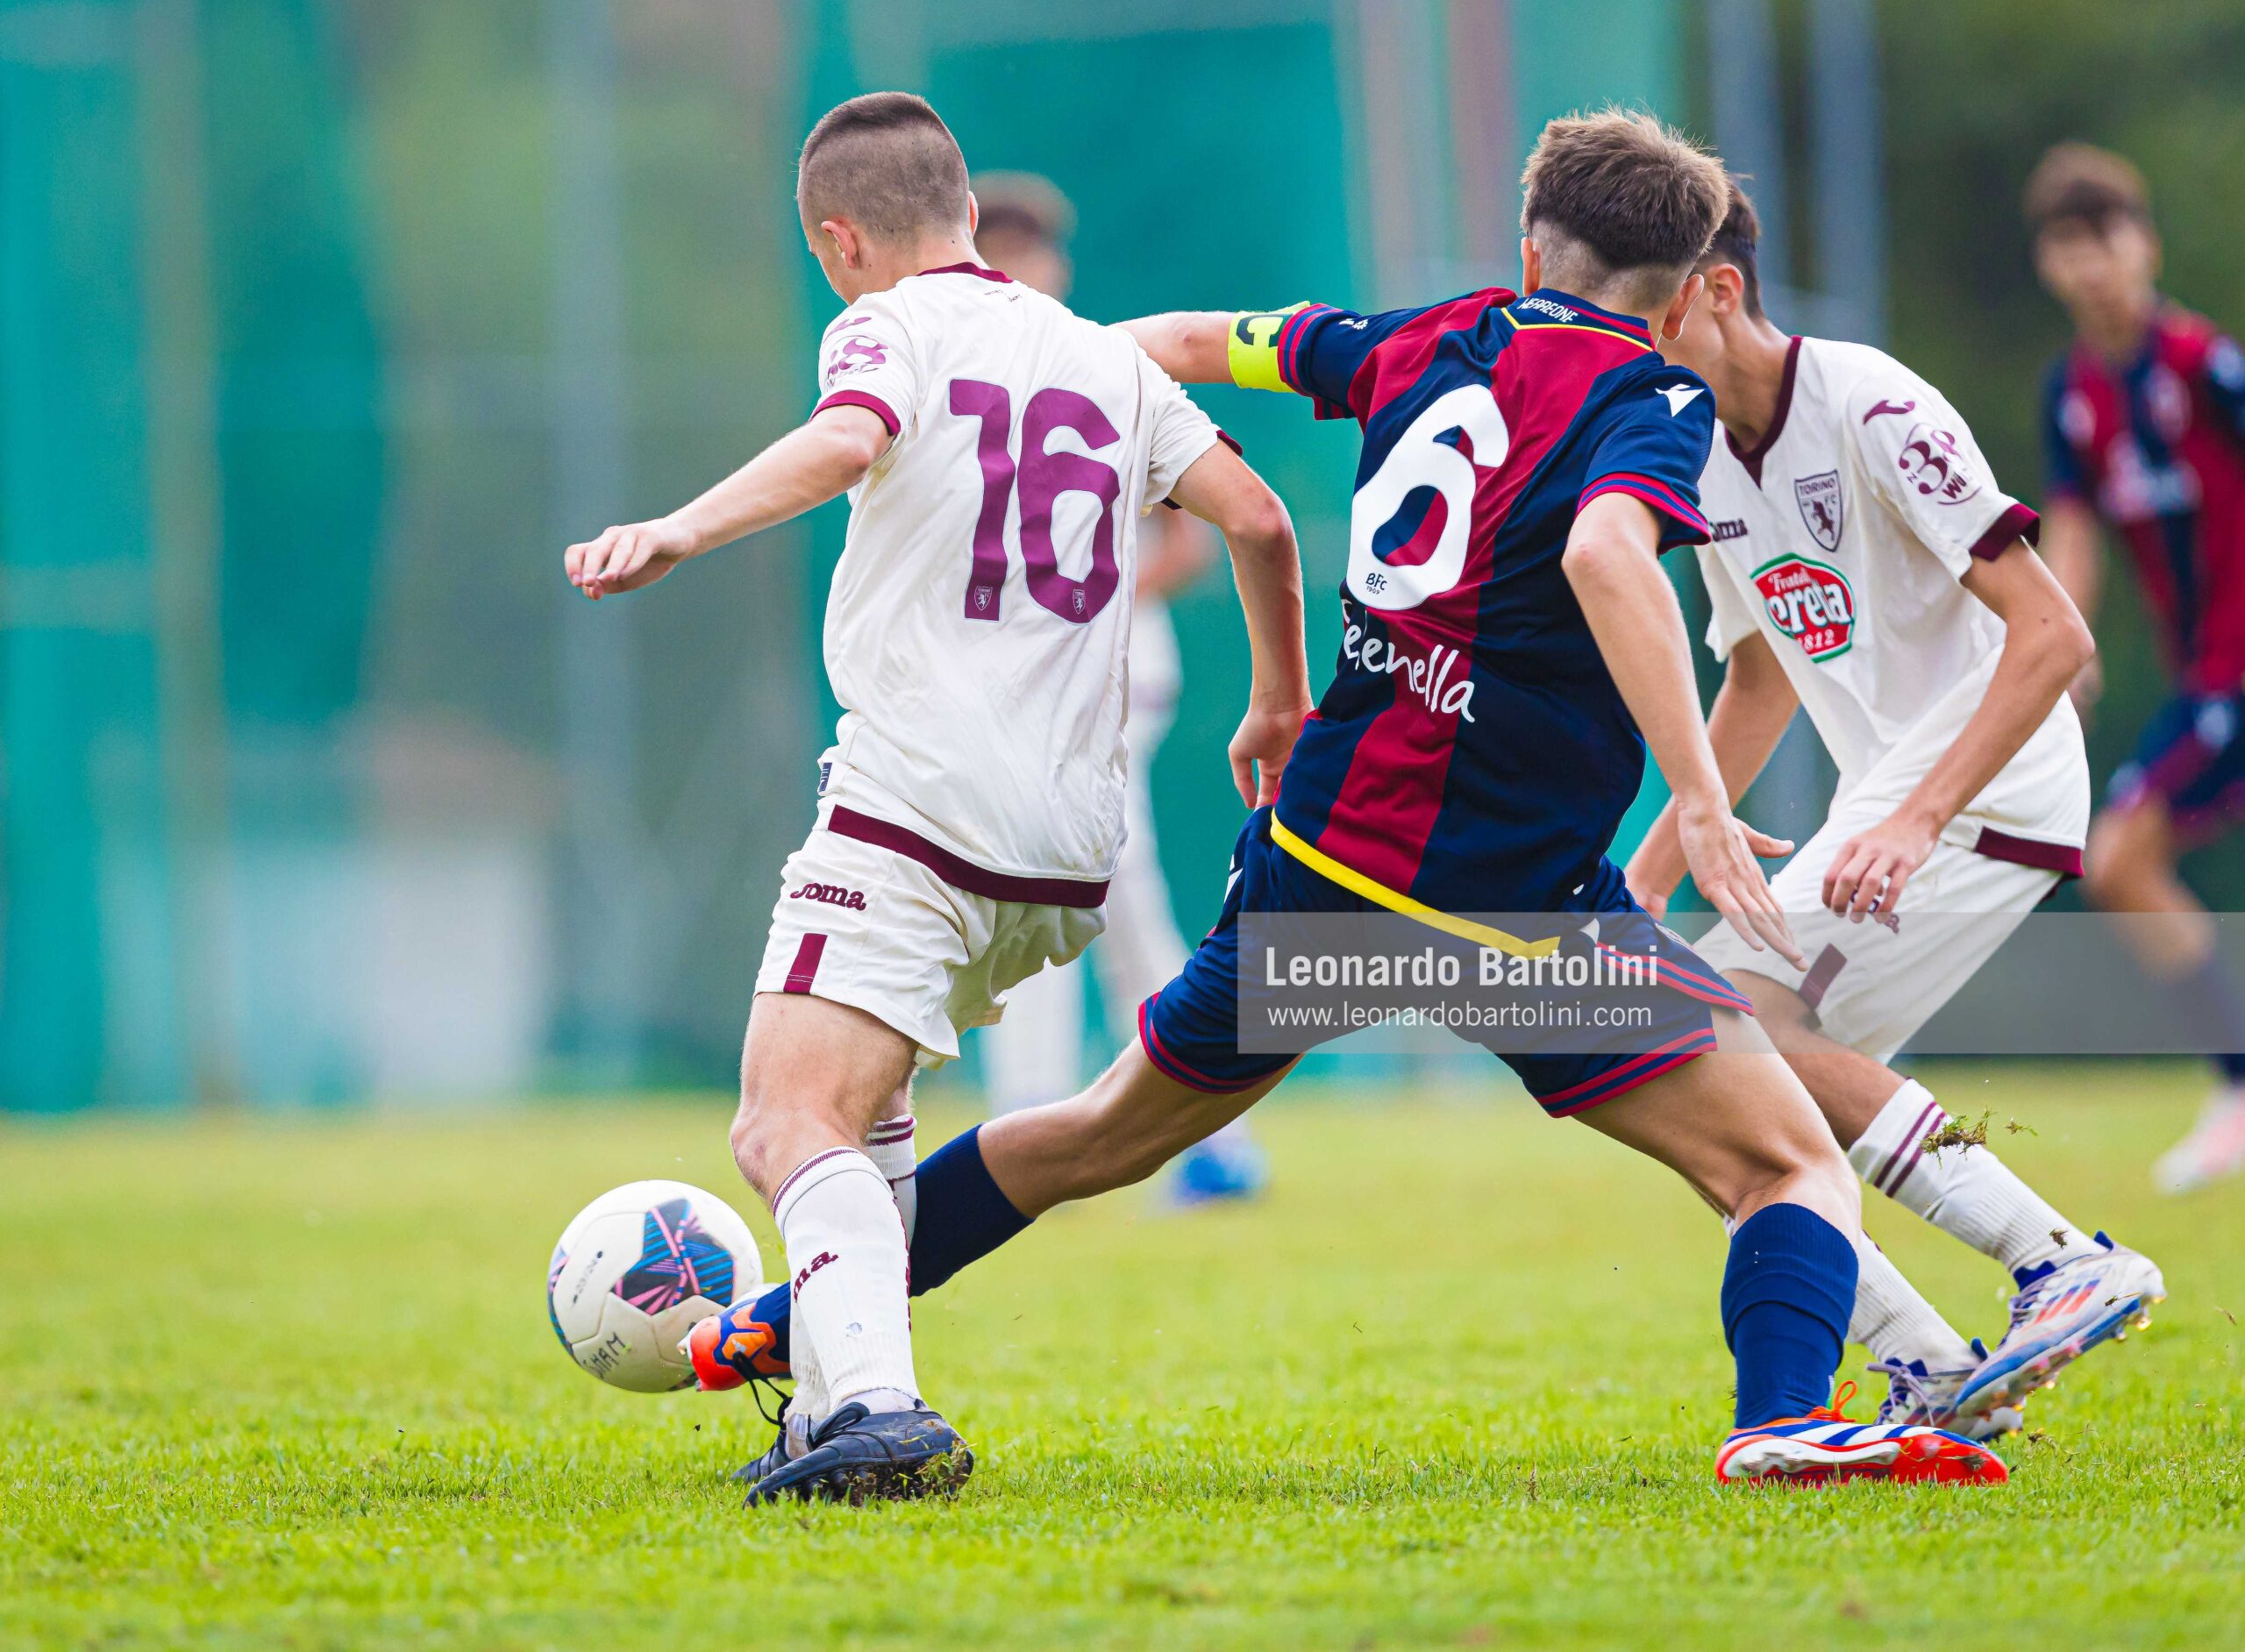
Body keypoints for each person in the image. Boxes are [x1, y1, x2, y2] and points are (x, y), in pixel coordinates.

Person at [697, 110, 2012, 1490]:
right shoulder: (1654, 398)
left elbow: (1204, 340)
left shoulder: (1425, 335)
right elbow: (1613, 553)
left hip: (1320, 865)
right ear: (1689, 295)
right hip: (1509, 896)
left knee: (1094, 1134)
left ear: (1527, 250)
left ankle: (797, 1322)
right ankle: (1788, 1422)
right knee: (1790, 1164)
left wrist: (1038, 359)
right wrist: (1695, 792)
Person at [565, 91, 1311, 1503]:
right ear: (969, 209)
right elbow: (1262, 519)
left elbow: (848, 441)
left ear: (840, 241)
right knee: (871, 1102)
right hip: (1067, 851)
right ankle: (841, 1395)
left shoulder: (886, 324)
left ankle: (883, 1411)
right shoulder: (1103, 358)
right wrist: (1276, 699)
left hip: (918, 805)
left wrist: (678, 527)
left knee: (784, 1122)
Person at [1627, 182, 2165, 1441]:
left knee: (1708, 1034)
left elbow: (2052, 631)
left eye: (1646, 315)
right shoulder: (1695, 450)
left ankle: (2059, 1260)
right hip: (1895, 798)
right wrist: (1651, 870)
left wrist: (1917, 817)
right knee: (1716, 1090)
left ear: (1720, 291)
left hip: (1993, 784)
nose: (1626, 347)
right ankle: (1928, 1363)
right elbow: (1756, 675)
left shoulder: (1871, 401)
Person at [968, 171, 1267, 1203]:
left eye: (1034, 253)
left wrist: (1082, 589)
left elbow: (1190, 537)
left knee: (1100, 893)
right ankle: (1088, 1120)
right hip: (1014, 691)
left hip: (1112, 682)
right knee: (1066, 896)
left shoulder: (1103, 367)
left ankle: (1169, 1121)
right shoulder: (961, 372)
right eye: (1003, 252)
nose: (1023, 269)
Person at [2028, 143, 2245, 1193]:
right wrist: (2063, 644)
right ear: (2050, 267)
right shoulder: (2073, 397)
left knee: (2119, 854)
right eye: (2070, 247)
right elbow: (2073, 531)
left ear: (2144, 244)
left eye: (2107, 239)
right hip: (2208, 681)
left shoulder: (2206, 366)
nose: (2093, 266)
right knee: (2115, 861)